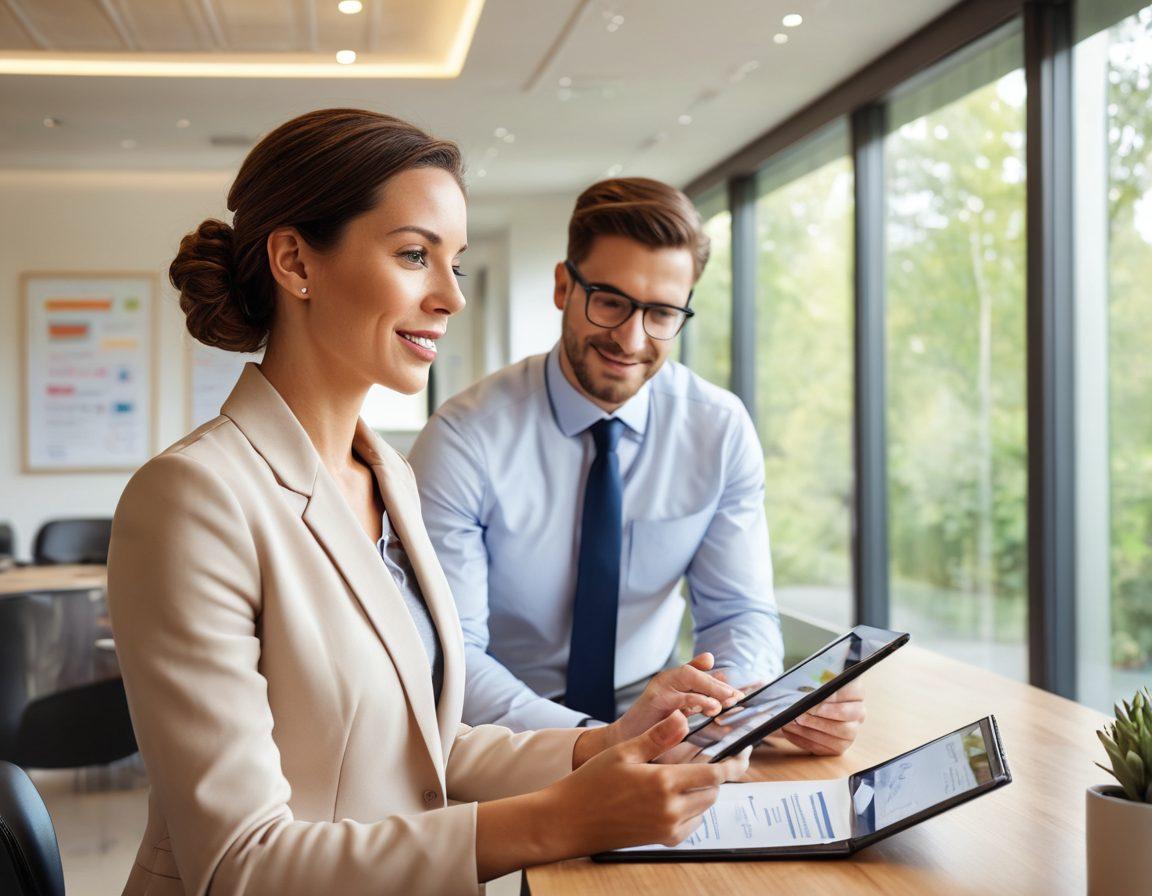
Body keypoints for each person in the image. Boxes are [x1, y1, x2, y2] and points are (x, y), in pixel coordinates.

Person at [107, 110, 751, 896]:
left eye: (456, 263)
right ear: (294, 261)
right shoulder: (191, 500)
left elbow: (417, 746)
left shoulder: (388, 477)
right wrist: (564, 817)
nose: (450, 297)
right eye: (415, 255)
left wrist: (600, 748)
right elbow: (242, 862)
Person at [409, 177, 865, 752]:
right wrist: (600, 744)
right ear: (562, 286)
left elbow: (737, 612)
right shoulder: (464, 438)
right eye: (610, 302)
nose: (630, 337)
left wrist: (746, 711)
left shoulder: (717, 430)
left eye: (662, 313)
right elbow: (455, 655)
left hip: (661, 725)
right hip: (505, 744)